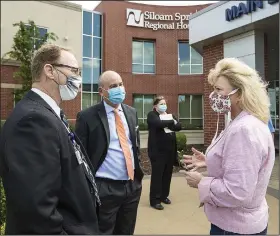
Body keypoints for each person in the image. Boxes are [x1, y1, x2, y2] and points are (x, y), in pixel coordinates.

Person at [0, 44, 100, 234]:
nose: (78, 78)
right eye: (74, 70)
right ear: (50, 70)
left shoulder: (48, 115)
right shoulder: (33, 121)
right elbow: (36, 212)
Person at [180, 58, 275, 235]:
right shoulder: (248, 121)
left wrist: (201, 182)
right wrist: (210, 161)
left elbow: (237, 192)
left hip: (234, 227)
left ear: (239, 94)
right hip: (243, 223)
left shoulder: (243, 130)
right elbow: (244, 166)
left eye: (218, 90)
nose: (213, 96)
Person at [75, 70, 143, 235]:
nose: (119, 89)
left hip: (131, 186)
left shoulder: (131, 112)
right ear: (101, 91)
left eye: (120, 84)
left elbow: (134, 145)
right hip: (105, 188)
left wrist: (137, 177)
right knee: (103, 231)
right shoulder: (86, 117)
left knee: (126, 231)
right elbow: (80, 156)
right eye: (113, 86)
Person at [147, 96, 182, 210]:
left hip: (170, 151)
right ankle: (154, 200)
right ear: (155, 106)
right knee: (158, 176)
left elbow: (179, 126)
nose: (164, 105)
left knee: (167, 175)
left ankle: (163, 196)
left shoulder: (169, 115)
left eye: (164, 103)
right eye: (161, 104)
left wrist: (170, 122)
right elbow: (158, 124)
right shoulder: (152, 115)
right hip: (158, 152)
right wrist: (171, 122)